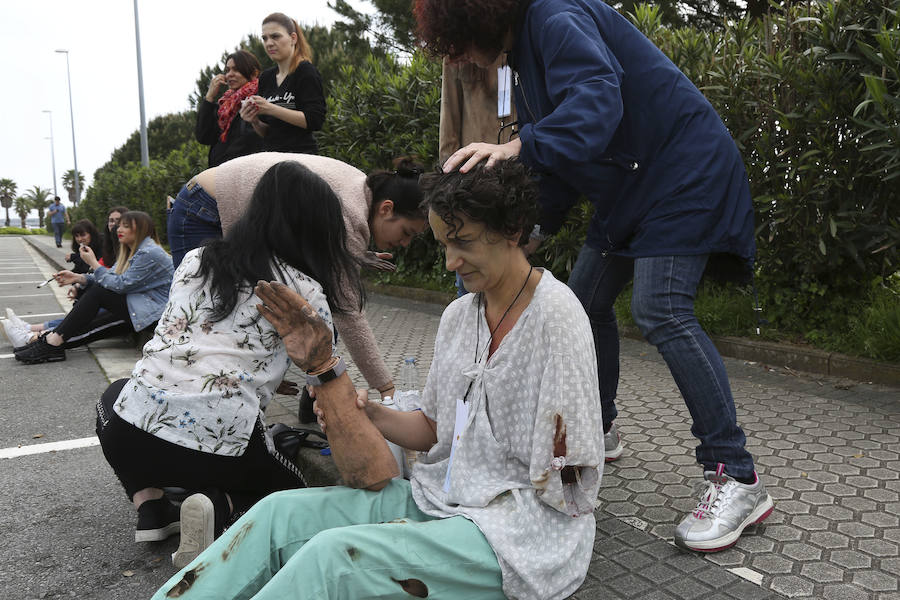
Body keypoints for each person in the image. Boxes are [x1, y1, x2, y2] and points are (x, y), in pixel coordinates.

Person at [152, 160, 604, 600]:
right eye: (444, 244)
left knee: (333, 558)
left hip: (520, 532)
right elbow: (432, 430)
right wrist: (368, 411)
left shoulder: (557, 317)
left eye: (462, 241)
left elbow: (573, 475)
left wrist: (472, 497)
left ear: (513, 231)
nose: (450, 262)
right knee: (277, 514)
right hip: (441, 500)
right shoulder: (458, 317)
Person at [415, 0, 774, 552]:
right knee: (584, 301)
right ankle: (598, 428)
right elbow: (563, 160)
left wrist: (517, 146)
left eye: (459, 46)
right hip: (629, 191)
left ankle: (736, 475)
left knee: (661, 310)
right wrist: (527, 229)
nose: (463, 60)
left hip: (683, 173)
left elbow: (596, 104)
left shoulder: (555, 19)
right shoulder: (522, 58)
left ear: (474, 16)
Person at [96, 161, 361, 569]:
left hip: (130, 432)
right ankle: (221, 507)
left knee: (112, 396)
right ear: (316, 228)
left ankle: (151, 508)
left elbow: (196, 339)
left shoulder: (197, 258)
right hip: (222, 446)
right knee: (295, 495)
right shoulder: (306, 290)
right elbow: (319, 371)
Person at [167, 152, 428, 399]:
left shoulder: (363, 192)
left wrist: (355, 255)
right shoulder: (351, 214)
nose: (405, 244)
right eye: (407, 233)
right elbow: (348, 314)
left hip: (216, 194)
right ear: (386, 209)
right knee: (202, 317)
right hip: (204, 206)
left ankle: (314, 396)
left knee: (315, 322)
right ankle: (191, 398)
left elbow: (332, 251)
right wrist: (386, 387)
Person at [14, 211, 173, 364]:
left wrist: (93, 263)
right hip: (138, 305)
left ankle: (51, 341)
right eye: (119, 225)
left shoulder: (150, 253)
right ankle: (51, 340)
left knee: (97, 301)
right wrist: (79, 277)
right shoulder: (133, 251)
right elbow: (111, 276)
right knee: (89, 321)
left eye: (125, 226)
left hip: (154, 314)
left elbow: (120, 284)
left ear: (140, 229)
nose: (119, 229)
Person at [440, 54, 517, 298]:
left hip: (519, 182)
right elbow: (449, 122)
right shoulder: (457, 54)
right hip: (471, 188)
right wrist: (448, 187)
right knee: (470, 289)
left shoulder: (520, 46)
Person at [239, 13, 326, 154]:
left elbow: (315, 120)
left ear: (293, 38)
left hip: (301, 157)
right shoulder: (266, 77)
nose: (269, 43)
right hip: (271, 156)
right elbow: (267, 131)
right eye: (264, 38)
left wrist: (270, 108)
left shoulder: (305, 71)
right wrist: (254, 121)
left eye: (275, 36)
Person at [195, 50, 263, 167]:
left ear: (253, 73)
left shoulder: (261, 99)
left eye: (236, 69)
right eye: (227, 70)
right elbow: (204, 137)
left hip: (245, 171)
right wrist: (209, 98)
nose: (229, 74)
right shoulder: (224, 105)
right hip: (221, 174)